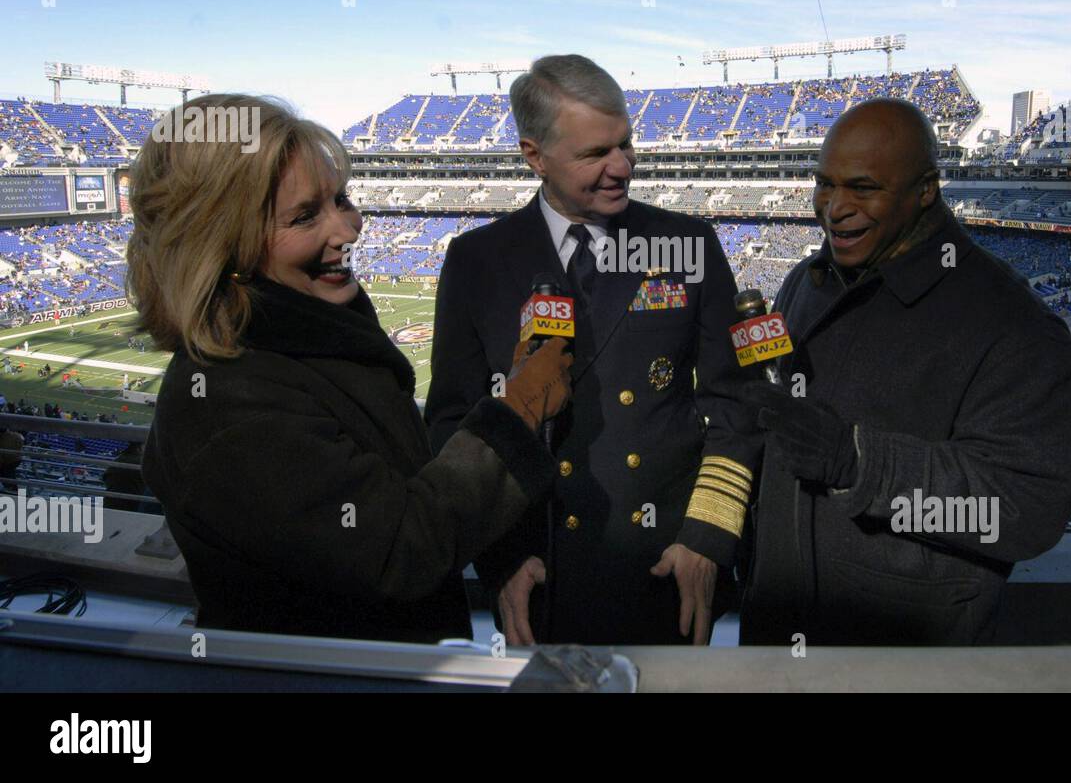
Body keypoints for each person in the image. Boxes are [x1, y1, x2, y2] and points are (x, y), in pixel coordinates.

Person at [131, 94, 573, 644]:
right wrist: (520, 409)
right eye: (304, 216)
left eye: (341, 199)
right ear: (220, 243)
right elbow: (398, 548)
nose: (348, 229)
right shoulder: (227, 400)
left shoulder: (301, 342)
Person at [425, 55, 760, 645]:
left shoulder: (689, 244)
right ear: (535, 157)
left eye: (626, 145)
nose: (622, 167)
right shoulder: (475, 261)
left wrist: (706, 540)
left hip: (665, 567)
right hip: (541, 578)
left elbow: (736, 405)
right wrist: (500, 560)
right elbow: (454, 422)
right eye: (594, 154)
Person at [741, 98, 1071, 646]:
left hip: (901, 650)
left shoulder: (1013, 325)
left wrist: (860, 464)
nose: (834, 208)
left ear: (926, 190)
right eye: (824, 184)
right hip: (778, 629)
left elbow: (1026, 509)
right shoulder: (807, 281)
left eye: (863, 188)